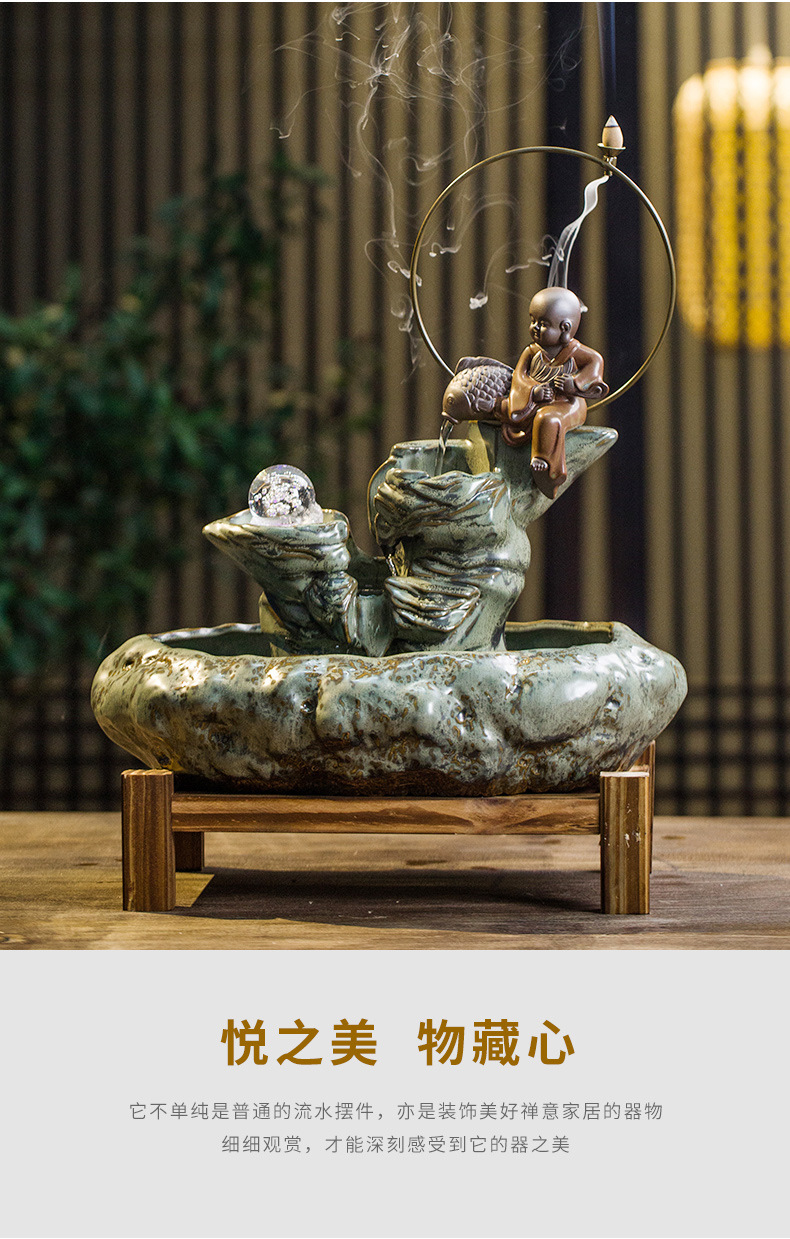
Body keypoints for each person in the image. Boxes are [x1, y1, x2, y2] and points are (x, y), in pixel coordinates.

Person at [500, 286, 608, 498]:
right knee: (499, 408)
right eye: (532, 321)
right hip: (533, 401)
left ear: (565, 328)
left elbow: (596, 362)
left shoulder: (575, 352)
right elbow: (519, 377)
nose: (535, 328)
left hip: (567, 404)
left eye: (543, 324)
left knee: (547, 418)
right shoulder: (531, 352)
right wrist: (533, 390)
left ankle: (547, 466)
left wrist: (574, 384)